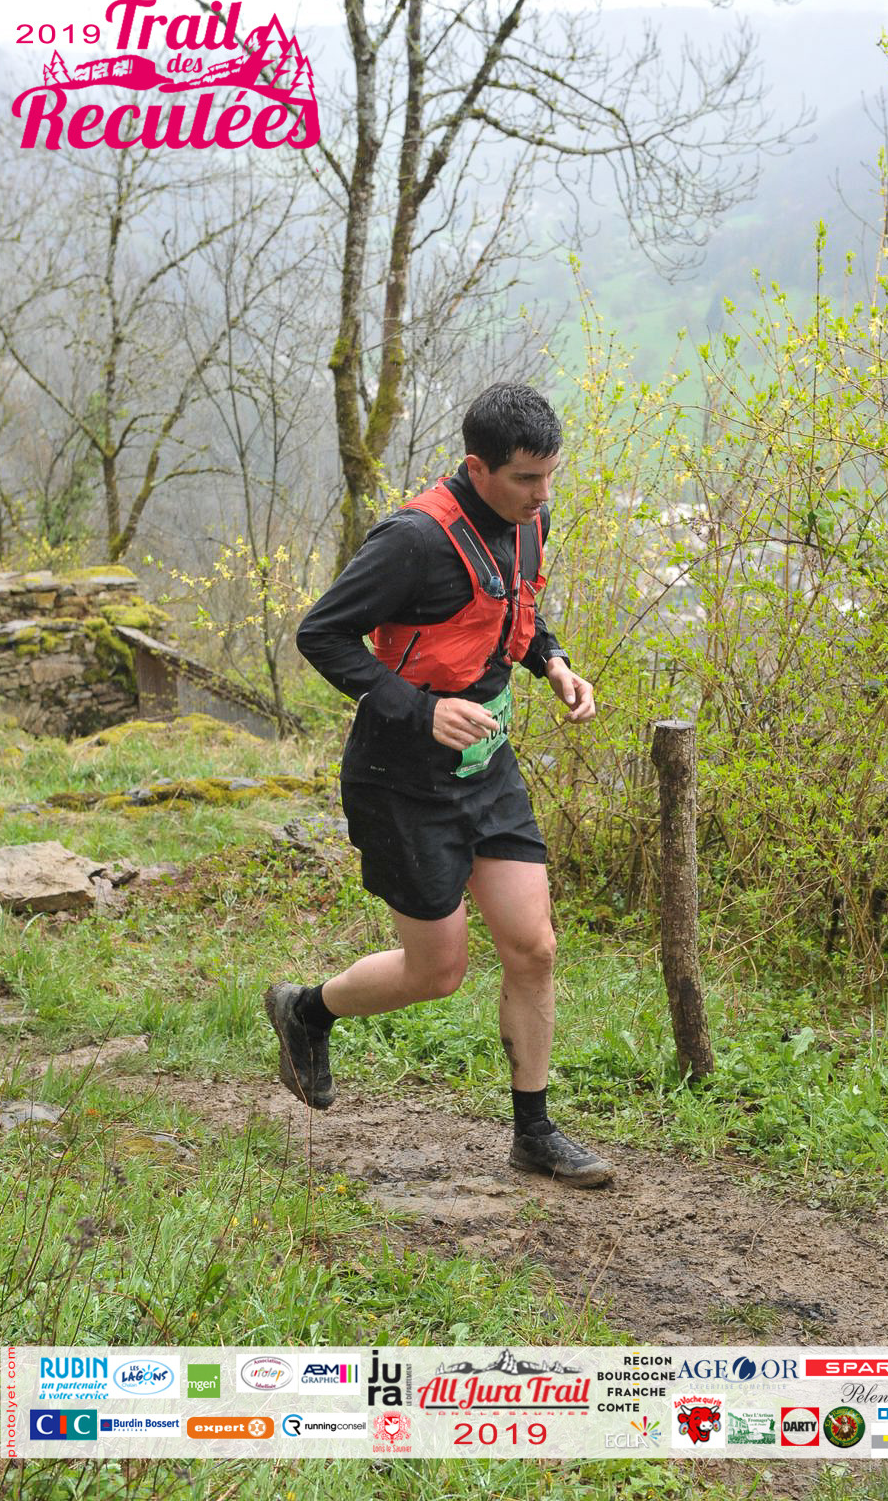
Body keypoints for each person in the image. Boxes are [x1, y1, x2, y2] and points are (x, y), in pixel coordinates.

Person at [265, 382, 613, 1187]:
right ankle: (305, 1009)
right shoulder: (414, 540)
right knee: (438, 972)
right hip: (399, 779)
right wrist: (420, 711)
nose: (542, 494)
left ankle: (534, 1133)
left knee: (533, 947)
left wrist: (553, 663)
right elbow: (322, 634)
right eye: (526, 478)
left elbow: (512, 611)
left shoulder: (529, 522)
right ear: (477, 467)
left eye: (550, 475)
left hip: (485, 766)